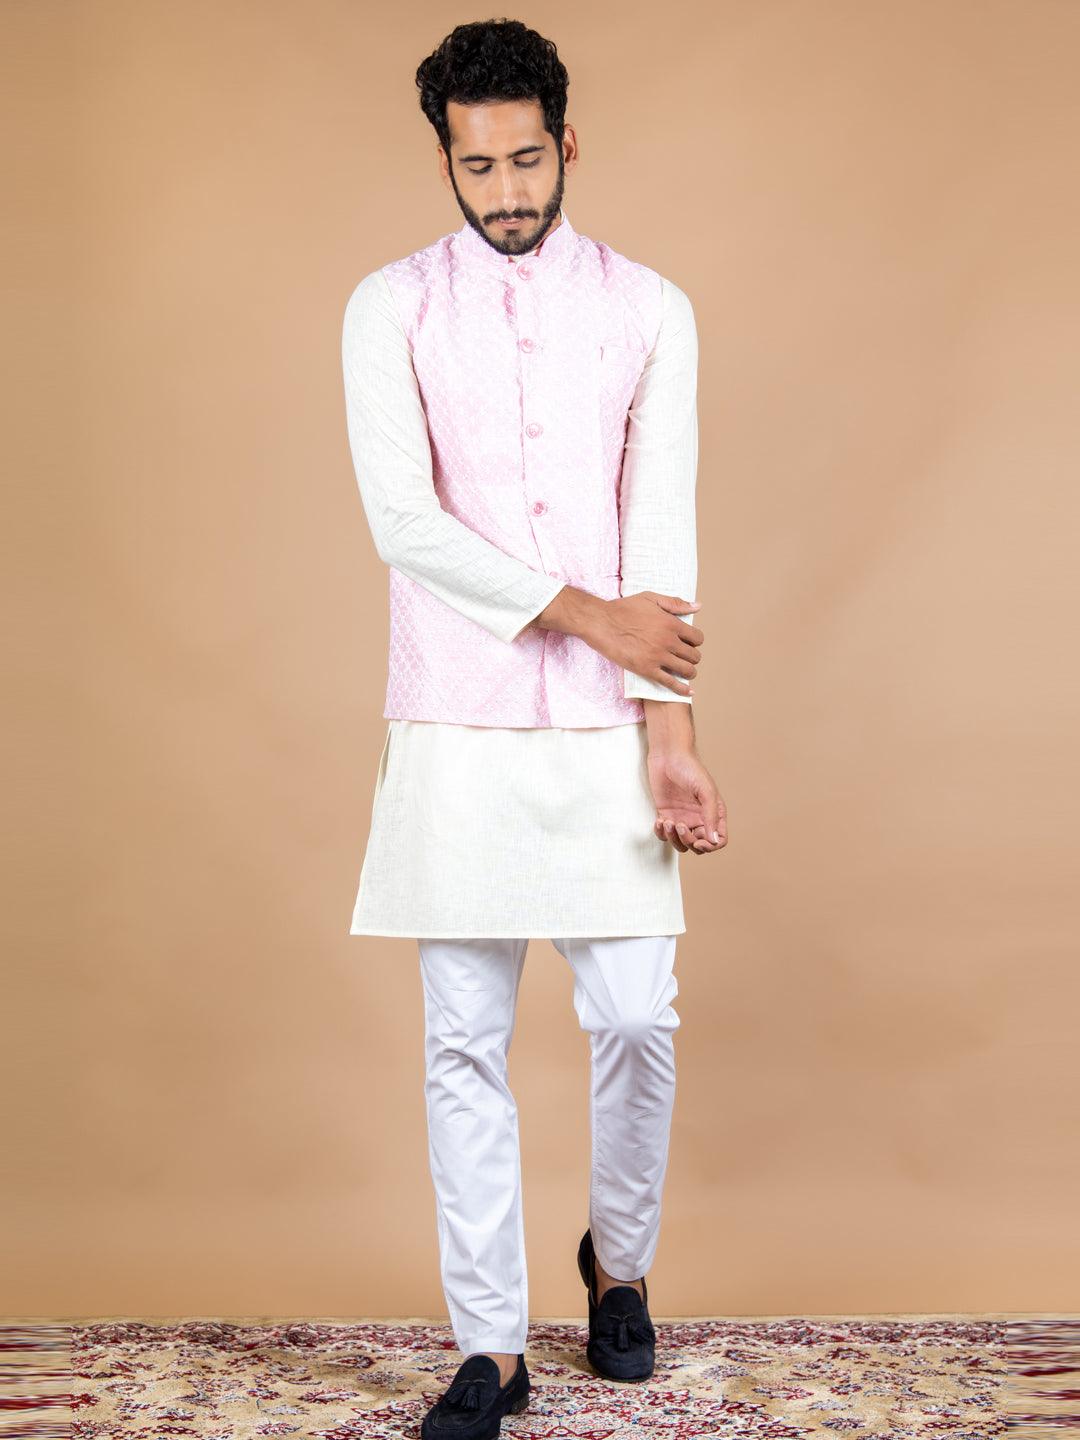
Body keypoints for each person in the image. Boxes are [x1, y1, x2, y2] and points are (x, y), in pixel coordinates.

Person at [340, 19, 727, 1439]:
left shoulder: (651, 309)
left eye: (523, 160)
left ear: (568, 143)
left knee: (635, 1016)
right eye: (475, 166)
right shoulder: (390, 308)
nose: (504, 192)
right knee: (463, 1040)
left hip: (605, 729)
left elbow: (660, 532)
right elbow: (404, 523)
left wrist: (670, 736)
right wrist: (588, 615)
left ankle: (618, 1263)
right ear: (443, 159)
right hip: (456, 715)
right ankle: (491, 1348)